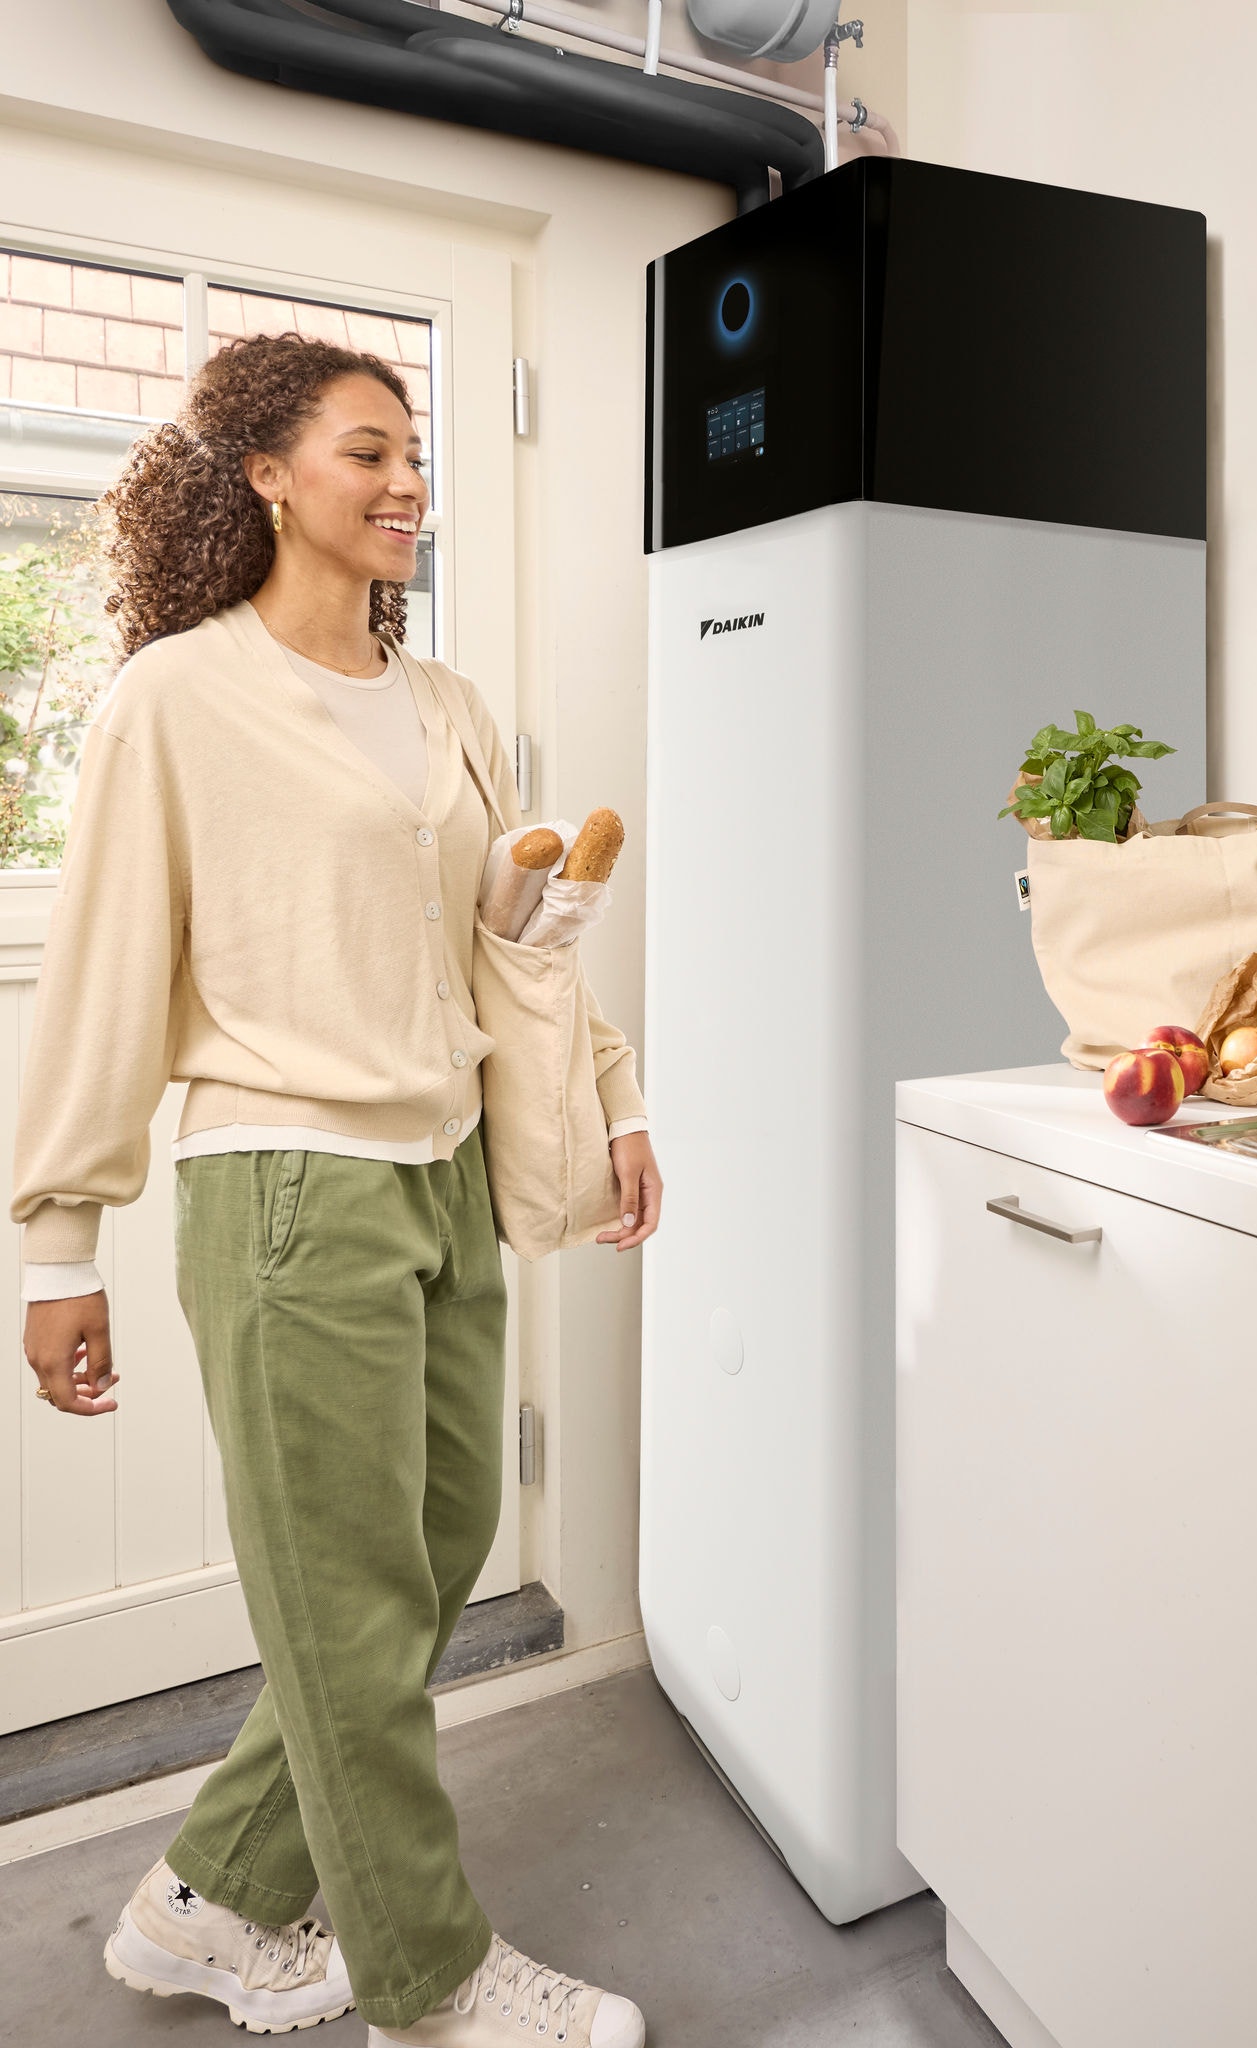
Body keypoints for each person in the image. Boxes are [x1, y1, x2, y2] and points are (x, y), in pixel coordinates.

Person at [12, 332, 661, 2047]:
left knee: (435, 1551)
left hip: (441, 1171)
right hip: (284, 1186)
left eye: (416, 458)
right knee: (353, 1610)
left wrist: (615, 1097)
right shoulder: (180, 696)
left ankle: (206, 1900)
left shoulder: (440, 706)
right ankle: (427, 1983)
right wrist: (57, 1244)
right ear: (267, 476)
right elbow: (101, 969)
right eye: (367, 453)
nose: (405, 486)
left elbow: (510, 944)